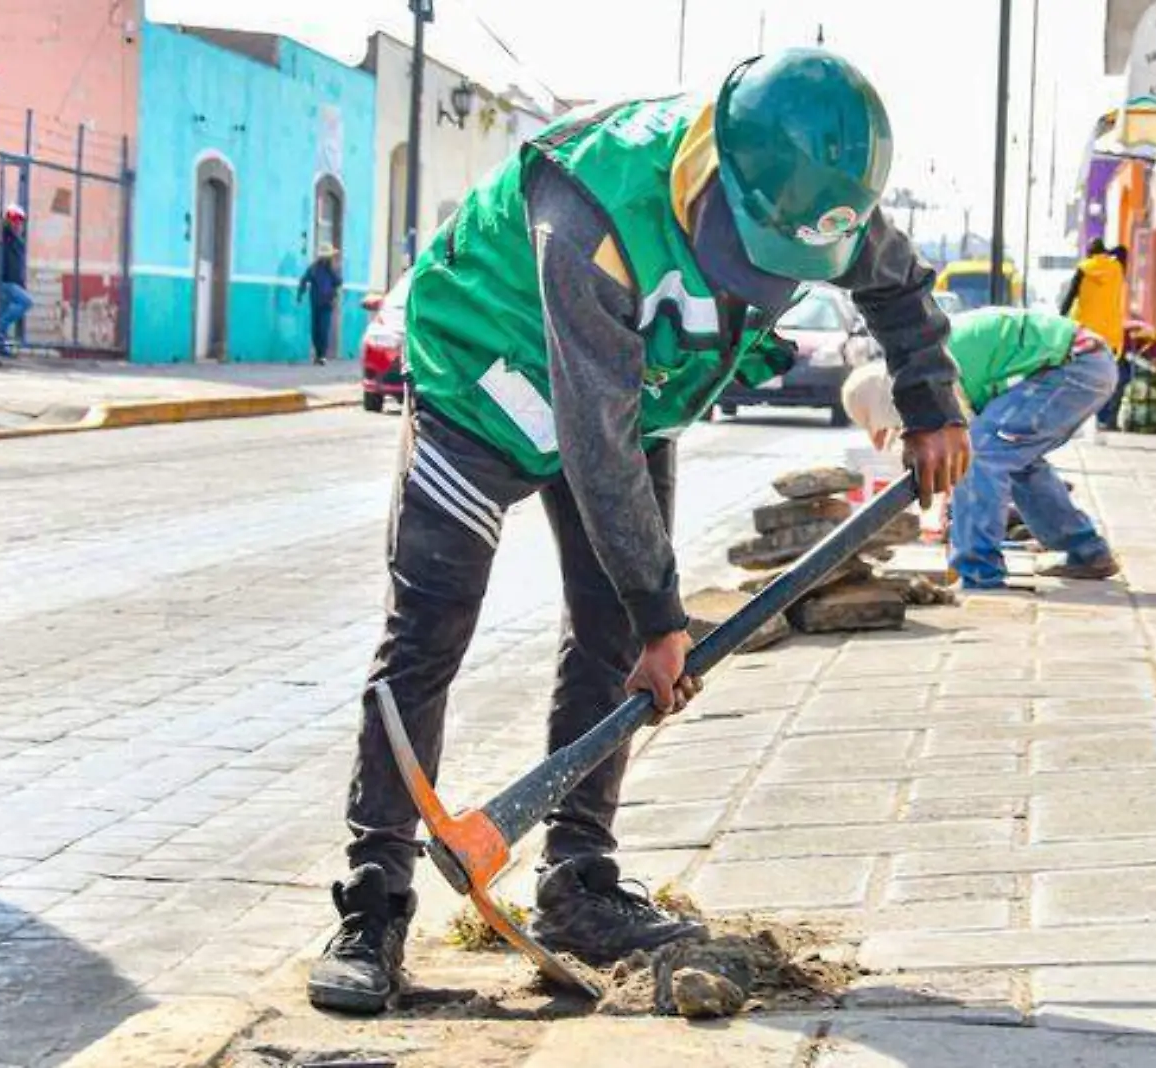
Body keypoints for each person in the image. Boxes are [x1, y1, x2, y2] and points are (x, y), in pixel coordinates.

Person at [307, 49, 971, 1016]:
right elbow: (595, 437)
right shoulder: (594, 209)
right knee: (430, 631)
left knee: (612, 637)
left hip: (633, 397)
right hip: (482, 384)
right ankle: (375, 900)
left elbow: (901, 288)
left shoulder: (815, 199)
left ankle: (577, 883)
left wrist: (930, 400)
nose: (767, 281)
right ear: (708, 172)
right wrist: (666, 615)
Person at [842, 306, 1120, 591]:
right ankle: (1088, 553)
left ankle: (979, 571)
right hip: (1082, 364)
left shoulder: (929, 369)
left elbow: (963, 450)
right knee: (1015, 461)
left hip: (1074, 365)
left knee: (981, 454)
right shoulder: (922, 362)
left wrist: (955, 509)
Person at [1058, 239, 1128, 428]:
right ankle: (1105, 418)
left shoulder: (1084, 268)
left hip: (1084, 332)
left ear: (1089, 253)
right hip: (1110, 332)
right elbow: (1123, 251)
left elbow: (1070, 296)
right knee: (1109, 375)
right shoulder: (1117, 268)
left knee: (1080, 374)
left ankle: (1077, 416)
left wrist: (1059, 319)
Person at [0, 204, 31, 358]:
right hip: (2, 281)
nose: (17, 223)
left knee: (3, 313)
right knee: (26, 302)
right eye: (13, 219)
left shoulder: (19, 240)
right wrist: (4, 220)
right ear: (7, 220)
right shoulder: (4, 236)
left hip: (12, 282)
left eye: (20, 220)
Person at [298, 245, 344, 365]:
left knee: (324, 329)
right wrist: (300, 293)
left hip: (327, 304)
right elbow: (304, 280)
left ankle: (322, 356)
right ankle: (318, 355)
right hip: (315, 304)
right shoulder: (314, 268)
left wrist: (333, 271)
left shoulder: (331, 269)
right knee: (315, 330)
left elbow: (338, 282)